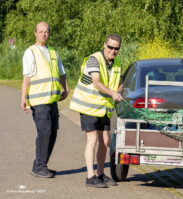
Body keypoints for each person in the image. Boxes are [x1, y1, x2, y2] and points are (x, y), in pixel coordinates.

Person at [70, 34, 123, 188]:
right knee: (92, 139)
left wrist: (118, 91)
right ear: (104, 45)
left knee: (105, 141)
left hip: (103, 108)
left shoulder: (117, 62)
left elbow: (120, 82)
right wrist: (112, 93)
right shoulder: (94, 59)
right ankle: (90, 176)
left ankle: (100, 174)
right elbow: (96, 82)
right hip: (89, 106)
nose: (113, 51)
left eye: (116, 48)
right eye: (110, 47)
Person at [21, 22, 69, 178]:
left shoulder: (54, 53)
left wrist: (66, 89)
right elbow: (27, 77)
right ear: (35, 33)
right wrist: (23, 98)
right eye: (40, 32)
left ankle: (41, 165)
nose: (43, 34)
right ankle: (40, 166)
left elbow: (62, 74)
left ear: (49, 33)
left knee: (53, 132)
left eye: (46, 32)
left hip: (52, 101)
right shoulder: (30, 52)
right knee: (45, 132)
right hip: (39, 101)